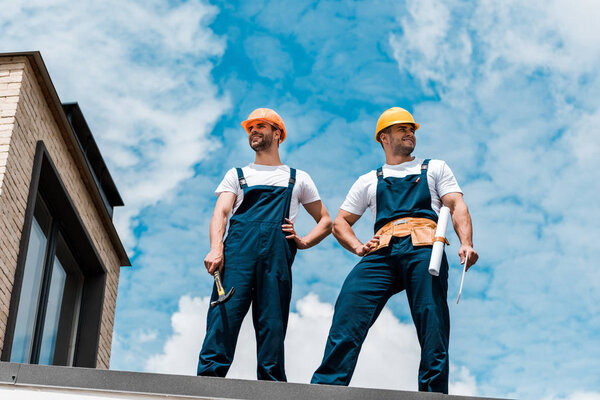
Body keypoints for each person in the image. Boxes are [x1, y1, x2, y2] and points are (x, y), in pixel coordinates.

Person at [311, 107, 478, 393]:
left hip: (425, 246)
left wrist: (466, 242)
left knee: (432, 320)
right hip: (382, 249)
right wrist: (357, 247)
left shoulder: (434, 168)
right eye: (402, 129)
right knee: (349, 308)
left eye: (411, 129)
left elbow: (456, 205)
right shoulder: (369, 180)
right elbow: (340, 222)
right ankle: (325, 390)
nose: (409, 133)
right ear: (383, 138)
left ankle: (433, 395)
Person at [198, 108, 332, 381]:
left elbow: (326, 221)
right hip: (237, 255)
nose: (254, 131)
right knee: (223, 317)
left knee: (272, 324)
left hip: (276, 258)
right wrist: (216, 248)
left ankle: (271, 388)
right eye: (251, 128)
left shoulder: (298, 178)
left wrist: (303, 241)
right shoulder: (236, 175)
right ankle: (207, 385)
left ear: (278, 134)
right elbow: (220, 213)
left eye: (261, 126)